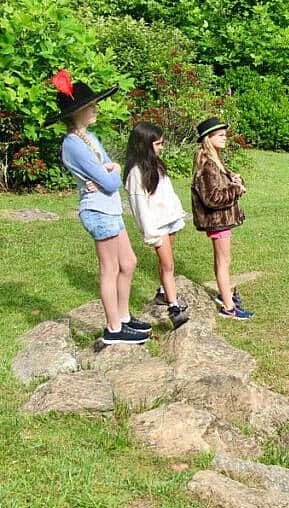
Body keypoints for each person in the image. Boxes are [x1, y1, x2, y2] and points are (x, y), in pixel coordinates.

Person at [45, 69, 150, 344]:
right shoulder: (73, 143)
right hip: (98, 211)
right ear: (76, 111)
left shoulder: (89, 137)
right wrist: (107, 173)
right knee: (110, 268)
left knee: (129, 262)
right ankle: (113, 328)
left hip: (110, 207)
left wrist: (108, 172)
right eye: (90, 105)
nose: (95, 108)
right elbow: (111, 179)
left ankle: (124, 316)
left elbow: (110, 172)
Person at [123, 122, 190, 329]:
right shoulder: (135, 173)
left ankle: (163, 292)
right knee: (169, 266)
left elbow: (166, 194)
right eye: (158, 143)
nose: (161, 147)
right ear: (144, 144)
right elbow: (140, 207)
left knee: (166, 264)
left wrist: (177, 214)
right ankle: (173, 307)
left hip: (169, 220)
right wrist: (150, 233)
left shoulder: (156, 164)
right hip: (157, 226)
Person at [191, 117, 253, 320]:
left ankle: (224, 296)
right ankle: (228, 307)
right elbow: (212, 198)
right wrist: (236, 189)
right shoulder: (208, 164)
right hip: (217, 221)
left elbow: (222, 187)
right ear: (208, 139)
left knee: (224, 260)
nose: (225, 138)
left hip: (221, 221)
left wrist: (235, 181)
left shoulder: (215, 160)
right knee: (223, 261)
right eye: (220, 135)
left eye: (225, 135)